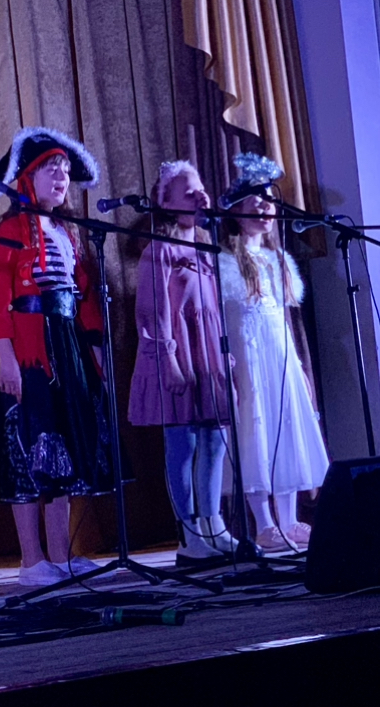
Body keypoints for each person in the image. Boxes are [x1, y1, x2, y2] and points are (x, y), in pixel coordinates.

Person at [0, 127, 116, 587]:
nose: (61, 178)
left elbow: (84, 298)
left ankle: (61, 555)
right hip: (29, 347)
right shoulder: (10, 231)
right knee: (30, 447)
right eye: (50, 170)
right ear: (27, 178)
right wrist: (6, 359)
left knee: (63, 451)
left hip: (67, 345)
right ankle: (31, 559)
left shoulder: (67, 232)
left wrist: (95, 353)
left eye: (64, 172)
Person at [219, 153, 329, 551]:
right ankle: (264, 523)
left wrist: (298, 366)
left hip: (279, 355)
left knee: (287, 429)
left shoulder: (276, 258)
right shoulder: (225, 260)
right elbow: (221, 317)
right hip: (249, 357)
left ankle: (289, 518)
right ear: (236, 211)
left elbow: (283, 319)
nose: (266, 208)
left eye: (269, 201)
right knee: (256, 432)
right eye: (256, 202)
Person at [128, 161, 236, 563]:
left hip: (207, 357)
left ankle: (213, 524)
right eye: (189, 192)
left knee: (215, 440)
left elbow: (215, 309)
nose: (200, 196)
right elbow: (151, 312)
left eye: (201, 188)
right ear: (167, 202)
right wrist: (167, 361)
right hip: (177, 355)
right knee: (183, 443)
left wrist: (224, 355)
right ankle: (188, 536)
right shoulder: (160, 251)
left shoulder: (206, 248)